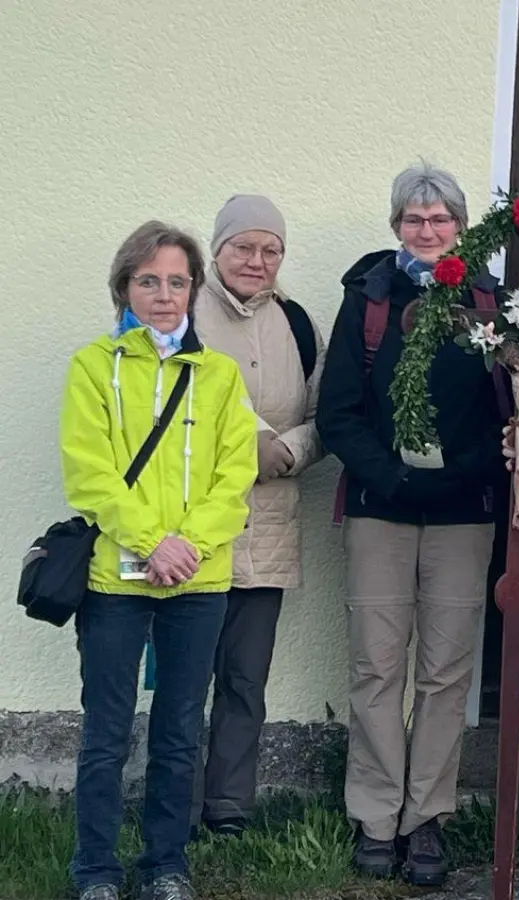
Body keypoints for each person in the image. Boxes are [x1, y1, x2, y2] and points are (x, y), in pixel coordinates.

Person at [317, 162, 507, 886]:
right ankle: (374, 815)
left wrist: (466, 475)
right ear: (396, 225)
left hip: (464, 514)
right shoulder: (369, 298)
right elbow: (338, 411)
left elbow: (510, 406)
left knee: (445, 673)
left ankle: (425, 817)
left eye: (441, 219)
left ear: (461, 227)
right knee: (375, 666)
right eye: (414, 219)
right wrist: (392, 476)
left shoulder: (491, 302)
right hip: (381, 509)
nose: (427, 231)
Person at [63, 221, 257, 900]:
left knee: (179, 730)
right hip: (114, 581)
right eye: (148, 281)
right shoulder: (94, 366)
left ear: (194, 290)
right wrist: (152, 541)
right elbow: (91, 476)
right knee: (107, 732)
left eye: (177, 281)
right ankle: (96, 869)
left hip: (197, 581)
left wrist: (188, 546)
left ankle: (165, 865)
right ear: (124, 288)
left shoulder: (221, 377)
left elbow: (234, 479)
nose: (164, 294)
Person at [189, 194, 325, 836]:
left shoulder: (299, 323)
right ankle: (175, 805)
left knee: (245, 680)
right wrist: (250, 446)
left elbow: (326, 418)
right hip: (190, 533)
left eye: (271, 249)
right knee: (186, 680)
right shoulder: (182, 312)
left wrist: (290, 451)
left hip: (267, 531)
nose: (257, 260)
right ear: (216, 249)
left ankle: (228, 811)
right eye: (243, 246)